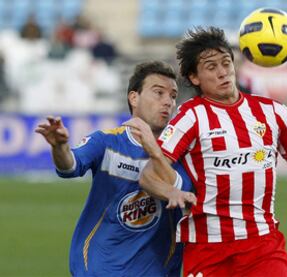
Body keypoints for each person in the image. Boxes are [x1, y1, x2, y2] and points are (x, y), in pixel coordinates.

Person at [126, 27, 287, 277]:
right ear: (194, 77)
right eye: (211, 67)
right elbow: (149, 175)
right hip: (207, 248)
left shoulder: (272, 111)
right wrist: (171, 192)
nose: (222, 72)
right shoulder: (190, 117)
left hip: (262, 246)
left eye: (226, 63)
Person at [35, 61, 196, 276]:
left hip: (157, 270)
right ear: (134, 98)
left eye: (173, 95)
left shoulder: (183, 154)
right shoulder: (107, 141)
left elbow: (183, 195)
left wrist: (155, 151)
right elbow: (70, 166)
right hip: (99, 267)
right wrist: (59, 147)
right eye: (159, 93)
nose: (168, 101)